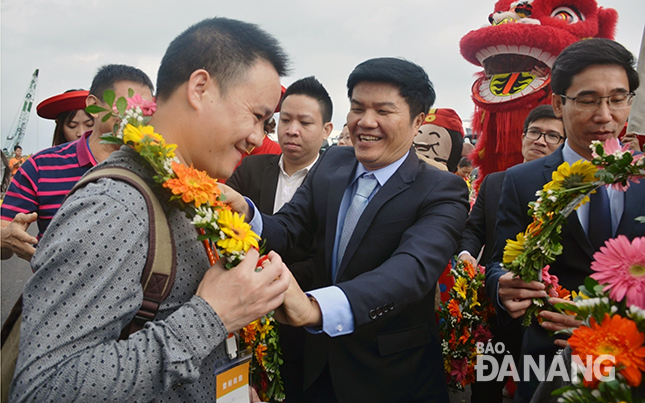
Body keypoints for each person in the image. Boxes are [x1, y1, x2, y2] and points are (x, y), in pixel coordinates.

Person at [10, 17, 290, 403]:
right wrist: (210, 316)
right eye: (257, 117)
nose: (259, 138)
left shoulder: (190, 191)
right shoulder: (114, 207)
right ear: (200, 88)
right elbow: (45, 389)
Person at [226, 57, 470, 402]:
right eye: (357, 108)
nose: (366, 122)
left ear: (417, 121)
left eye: (383, 111)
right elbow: (291, 227)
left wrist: (317, 308)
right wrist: (246, 212)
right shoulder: (333, 163)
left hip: (392, 375)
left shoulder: (442, 189)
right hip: (316, 365)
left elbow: (411, 269)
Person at [485, 38, 645, 402]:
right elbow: (498, 261)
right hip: (548, 362)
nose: (605, 116)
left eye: (618, 99)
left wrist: (605, 322)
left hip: (633, 362)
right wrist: (501, 286)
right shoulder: (522, 180)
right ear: (558, 103)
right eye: (588, 100)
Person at [227, 75, 333, 402]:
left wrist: (269, 279)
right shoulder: (249, 171)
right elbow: (228, 233)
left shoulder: (337, 181)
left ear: (327, 130)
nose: (292, 130)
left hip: (307, 319)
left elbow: (325, 256)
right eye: (285, 120)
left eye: (305, 122)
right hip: (247, 318)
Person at [457, 104, 564, 403]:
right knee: (486, 389)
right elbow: (474, 230)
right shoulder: (495, 182)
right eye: (535, 132)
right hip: (498, 311)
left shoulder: (573, 187)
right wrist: (466, 254)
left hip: (549, 314)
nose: (541, 141)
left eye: (553, 136)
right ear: (522, 137)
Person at [1, 64, 154, 261]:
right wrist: (6, 238)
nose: (136, 117)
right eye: (127, 106)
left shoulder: (159, 167)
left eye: (145, 110)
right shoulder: (40, 167)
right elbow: (5, 231)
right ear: (94, 105)